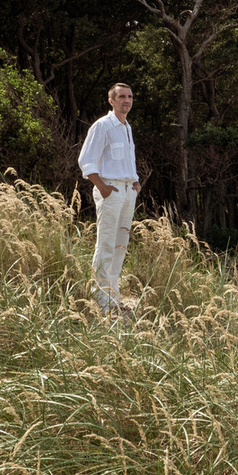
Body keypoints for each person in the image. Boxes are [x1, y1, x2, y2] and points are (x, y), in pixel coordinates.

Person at [78, 82, 141, 313]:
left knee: (120, 245)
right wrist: (102, 187)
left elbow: (126, 160)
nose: (127, 100)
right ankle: (101, 302)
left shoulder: (126, 127)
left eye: (130, 97)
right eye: (122, 97)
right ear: (111, 101)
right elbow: (86, 160)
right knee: (105, 244)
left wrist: (135, 182)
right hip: (110, 191)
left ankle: (113, 298)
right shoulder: (102, 126)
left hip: (127, 191)